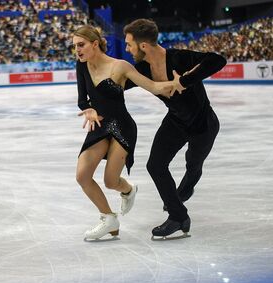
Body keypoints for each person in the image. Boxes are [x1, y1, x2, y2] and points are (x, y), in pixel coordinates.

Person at [73, 25, 183, 241]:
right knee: (82, 176)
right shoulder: (82, 65)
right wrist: (90, 109)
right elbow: (81, 100)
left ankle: (128, 189)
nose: (76, 49)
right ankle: (108, 218)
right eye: (75, 46)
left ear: (95, 44)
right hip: (100, 127)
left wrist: (179, 82)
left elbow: (152, 86)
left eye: (81, 45)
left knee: (110, 181)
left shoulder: (120, 66)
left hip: (122, 127)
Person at [123, 19, 227, 240]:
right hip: (176, 122)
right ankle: (179, 217)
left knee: (193, 165)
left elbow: (217, 60)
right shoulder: (142, 69)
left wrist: (186, 80)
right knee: (155, 165)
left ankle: (185, 189)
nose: (127, 49)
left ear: (143, 46)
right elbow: (118, 84)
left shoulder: (179, 57)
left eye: (129, 44)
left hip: (204, 124)